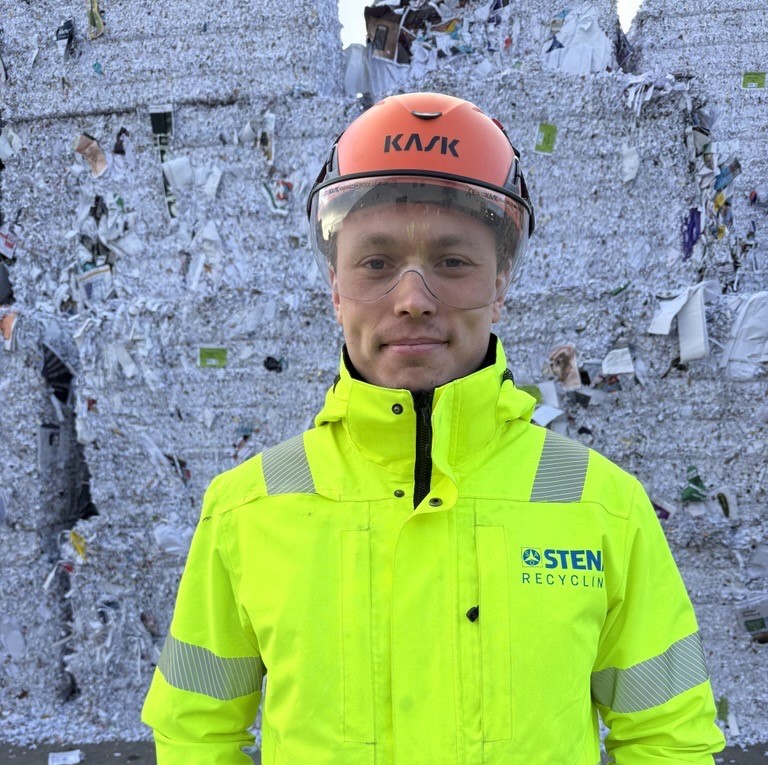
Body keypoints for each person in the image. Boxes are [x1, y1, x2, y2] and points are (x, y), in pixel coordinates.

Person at [142, 92, 725, 764]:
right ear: (335, 286)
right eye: (376, 262)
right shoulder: (246, 511)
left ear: (501, 283)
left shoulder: (604, 510)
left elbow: (666, 739)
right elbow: (195, 733)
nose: (413, 298)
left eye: (452, 262)